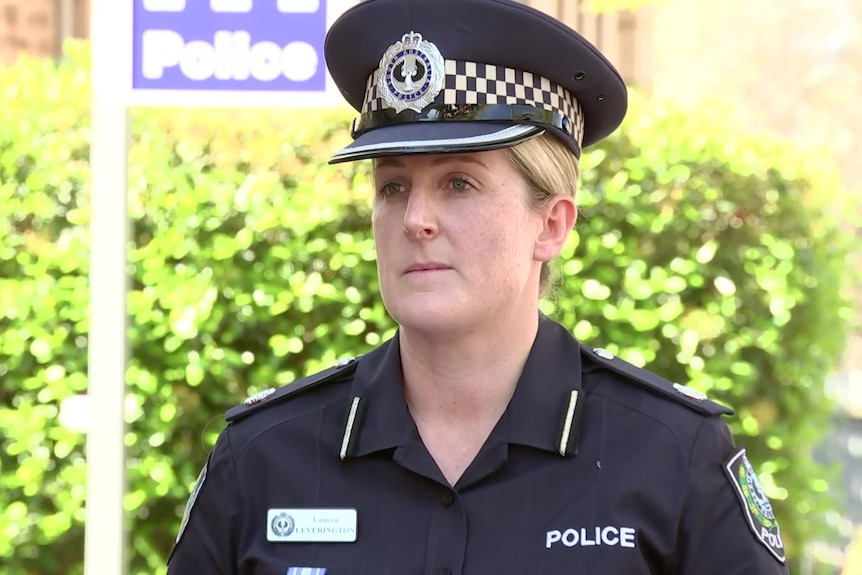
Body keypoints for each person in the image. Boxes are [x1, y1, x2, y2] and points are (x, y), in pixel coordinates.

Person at [166, 0, 790, 573]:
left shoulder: (671, 456)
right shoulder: (264, 459)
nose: (416, 219)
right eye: (393, 186)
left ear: (551, 224)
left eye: (459, 183)